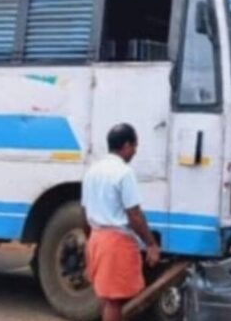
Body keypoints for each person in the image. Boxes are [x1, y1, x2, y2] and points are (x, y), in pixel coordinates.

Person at [82, 123, 161, 321]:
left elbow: (84, 210)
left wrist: (89, 241)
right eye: (134, 146)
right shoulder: (124, 173)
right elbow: (134, 214)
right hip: (116, 243)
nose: (135, 152)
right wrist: (151, 244)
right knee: (114, 300)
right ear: (126, 145)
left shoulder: (92, 171)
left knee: (105, 297)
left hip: (96, 238)